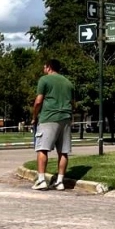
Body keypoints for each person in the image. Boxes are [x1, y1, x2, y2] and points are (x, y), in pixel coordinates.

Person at [31, 58, 75, 191]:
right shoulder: (68, 83)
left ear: (49, 67)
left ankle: (41, 180)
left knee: (42, 149)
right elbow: (74, 104)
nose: (44, 69)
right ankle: (60, 182)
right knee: (63, 151)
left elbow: (38, 101)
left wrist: (34, 116)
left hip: (49, 117)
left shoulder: (44, 80)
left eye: (44, 67)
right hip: (66, 118)